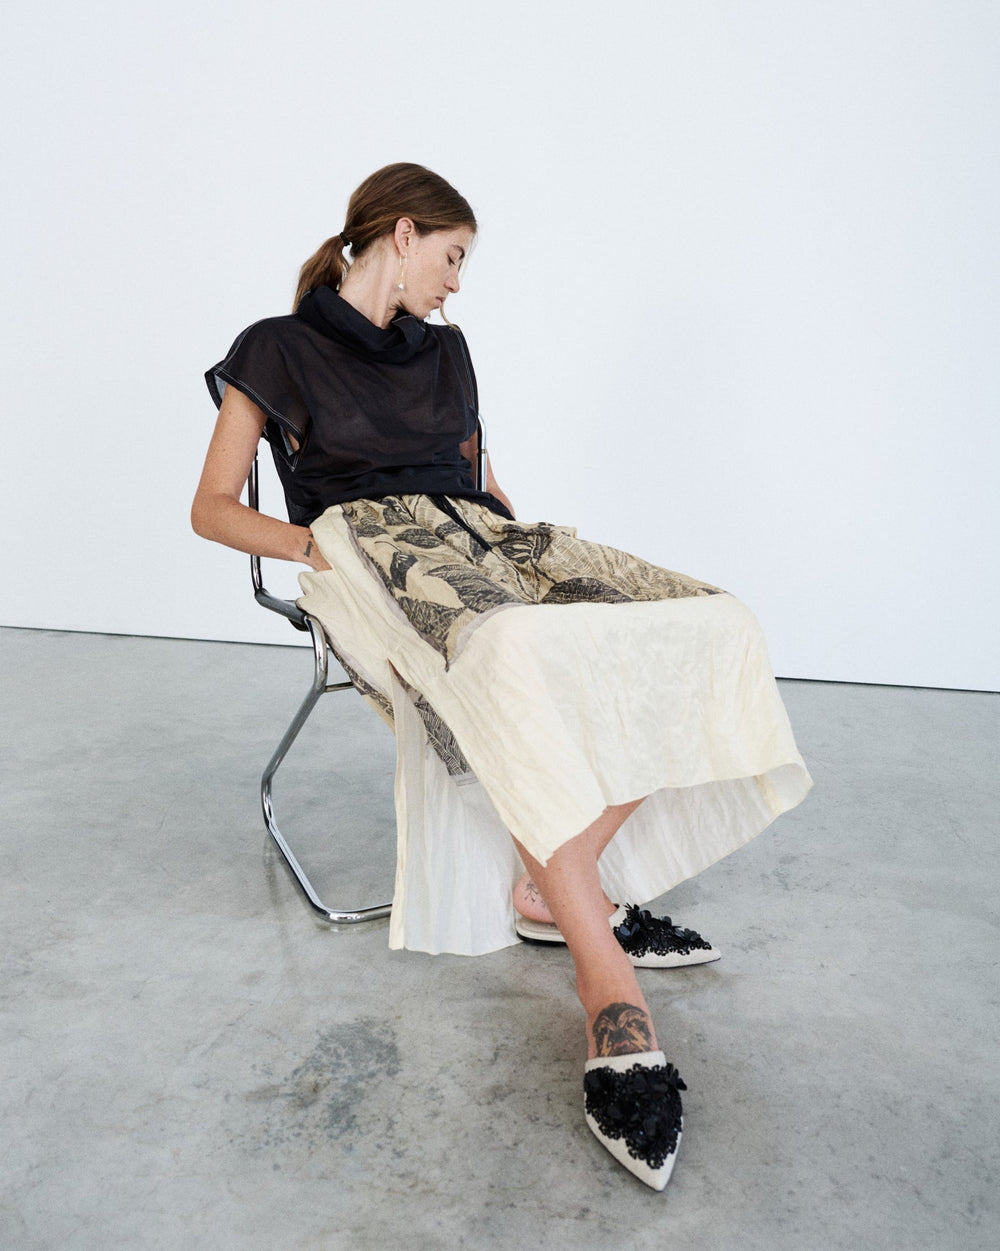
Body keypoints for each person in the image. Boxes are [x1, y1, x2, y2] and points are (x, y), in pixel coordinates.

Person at [192, 162, 812, 1190]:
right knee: (514, 654)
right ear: (401, 234)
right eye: (452, 256)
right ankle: (609, 995)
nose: (458, 282)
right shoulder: (278, 346)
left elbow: (484, 487)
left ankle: (550, 888)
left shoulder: (448, 352)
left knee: (709, 626)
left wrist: (531, 562)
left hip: (482, 548)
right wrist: (322, 551)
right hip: (365, 557)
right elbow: (212, 507)